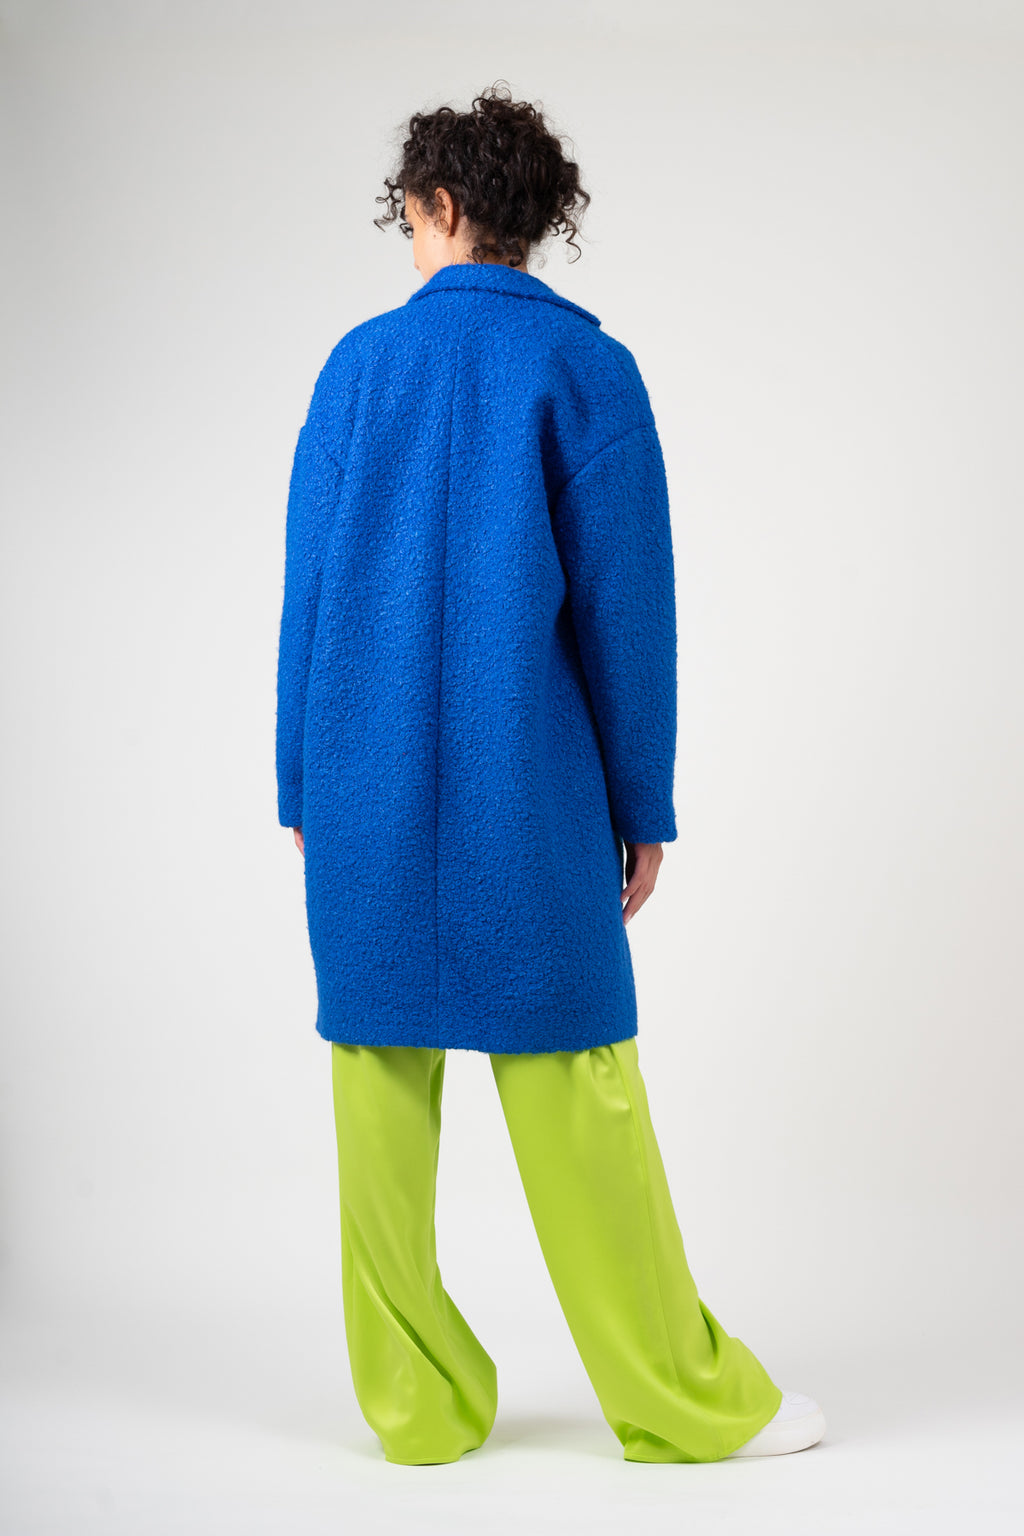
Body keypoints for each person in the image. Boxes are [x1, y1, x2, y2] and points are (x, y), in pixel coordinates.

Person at [275, 81, 826, 1466]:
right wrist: (642, 803)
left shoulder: (356, 368)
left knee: (376, 1085)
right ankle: (682, 1396)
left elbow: (309, 596)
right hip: (530, 790)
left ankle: (416, 1408)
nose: (409, 237)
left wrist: (299, 785)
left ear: (441, 205)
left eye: (410, 215)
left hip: (360, 780)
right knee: (581, 1077)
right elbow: (630, 617)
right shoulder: (588, 370)